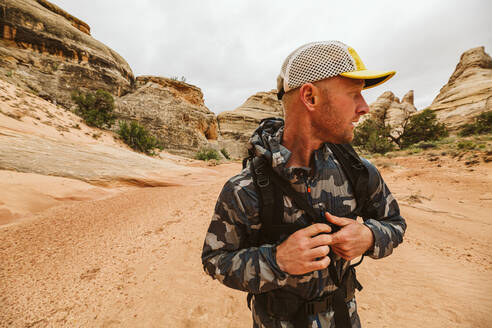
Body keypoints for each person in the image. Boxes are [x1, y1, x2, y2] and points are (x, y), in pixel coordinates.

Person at [201, 40, 407, 328]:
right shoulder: (244, 188)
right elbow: (215, 259)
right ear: (310, 97)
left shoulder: (358, 171)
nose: (365, 108)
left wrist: (370, 236)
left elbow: (395, 223)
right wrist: (276, 261)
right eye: (354, 94)